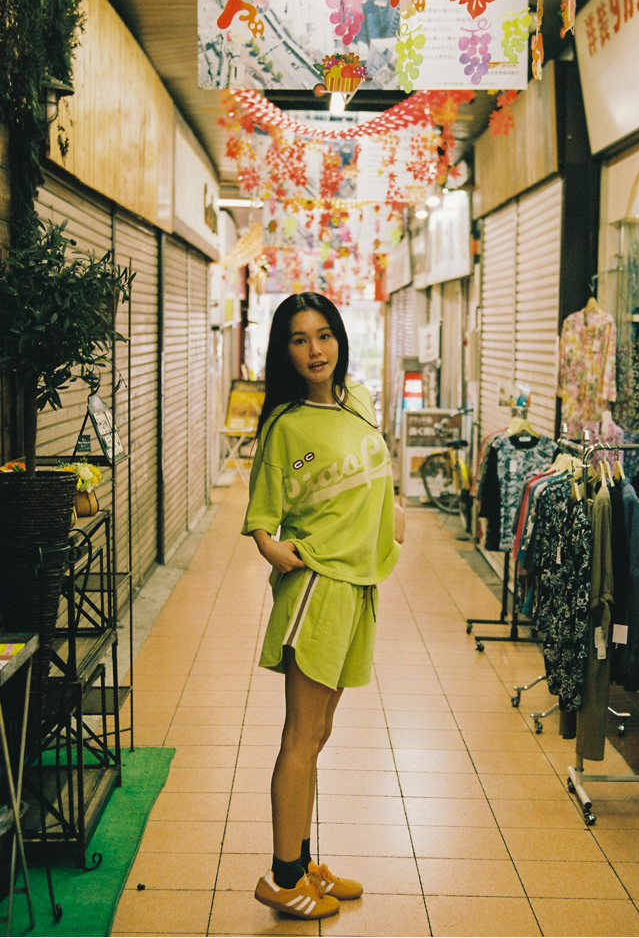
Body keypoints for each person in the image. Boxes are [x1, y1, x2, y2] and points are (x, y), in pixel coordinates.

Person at [242, 291, 405, 921]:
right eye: (300, 340)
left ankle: (304, 861)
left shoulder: (358, 401)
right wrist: (274, 550)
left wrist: (389, 515)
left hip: (358, 586)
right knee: (301, 737)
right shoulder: (287, 427)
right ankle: (282, 880)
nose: (315, 350)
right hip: (318, 590)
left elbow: (375, 473)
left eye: (324, 335)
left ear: (340, 339)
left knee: (321, 732)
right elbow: (262, 514)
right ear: (285, 352)